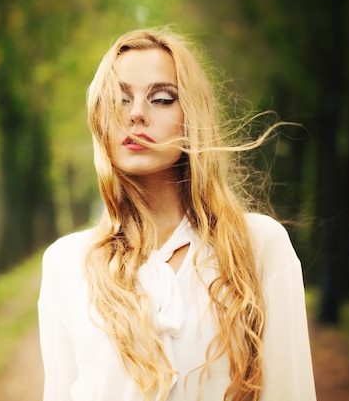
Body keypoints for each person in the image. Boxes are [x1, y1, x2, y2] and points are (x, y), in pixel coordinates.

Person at [38, 27, 316, 401]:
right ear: (100, 119)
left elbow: (289, 392)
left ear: (193, 116)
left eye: (163, 98)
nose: (135, 114)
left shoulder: (259, 246)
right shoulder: (66, 263)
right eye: (119, 99)